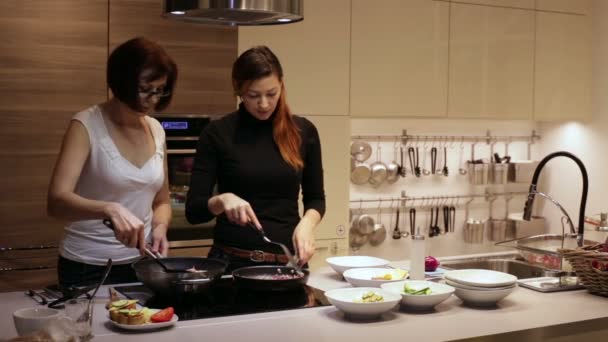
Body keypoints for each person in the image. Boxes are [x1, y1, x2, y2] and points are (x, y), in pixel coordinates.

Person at [47, 37, 177, 287]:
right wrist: (109, 208)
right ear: (122, 83)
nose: (152, 99)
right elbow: (56, 202)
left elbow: (162, 201)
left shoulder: (156, 129)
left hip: (142, 262)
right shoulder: (86, 125)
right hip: (88, 265)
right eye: (144, 89)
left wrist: (160, 228)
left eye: (160, 90)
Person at [185, 45, 325, 272]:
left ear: (282, 85)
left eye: (272, 94)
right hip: (231, 265)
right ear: (239, 91)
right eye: (253, 95)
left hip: (289, 266)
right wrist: (222, 200)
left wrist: (307, 224)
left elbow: (316, 199)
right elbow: (194, 211)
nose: (264, 104)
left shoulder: (304, 131)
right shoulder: (217, 133)